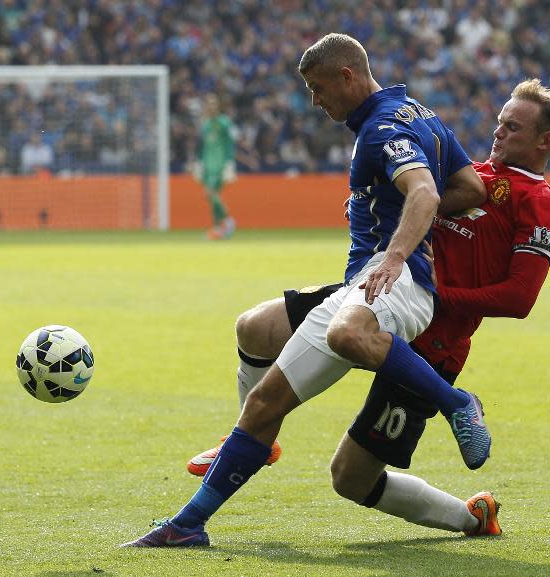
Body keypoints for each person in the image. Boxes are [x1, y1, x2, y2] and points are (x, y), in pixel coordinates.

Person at [121, 32, 489, 548]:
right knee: (263, 392)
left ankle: (456, 403)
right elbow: (470, 189)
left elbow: (425, 190)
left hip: (394, 278)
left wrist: (398, 250)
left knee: (345, 335)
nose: (315, 103)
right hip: (370, 278)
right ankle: (188, 525)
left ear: (348, 75)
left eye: (319, 89)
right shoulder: (419, 114)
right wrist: (393, 210)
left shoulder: (384, 128)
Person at [188, 78, 550, 539]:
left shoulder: (539, 203)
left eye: (514, 128)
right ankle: (249, 438)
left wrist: (438, 295)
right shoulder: (469, 175)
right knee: (256, 328)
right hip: (376, 292)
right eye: (500, 122)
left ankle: (473, 516)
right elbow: (413, 201)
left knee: (350, 477)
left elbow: (518, 298)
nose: (498, 132)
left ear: (545, 141)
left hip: (433, 343)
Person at [196, 94, 237, 240]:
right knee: (213, 197)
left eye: (213, 103)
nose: (211, 106)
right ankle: (217, 229)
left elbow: (230, 144)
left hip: (219, 164)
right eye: (208, 103)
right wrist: (200, 162)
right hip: (207, 165)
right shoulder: (205, 125)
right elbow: (202, 146)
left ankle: (227, 221)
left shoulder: (225, 122)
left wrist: (229, 163)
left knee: (210, 193)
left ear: (218, 106)